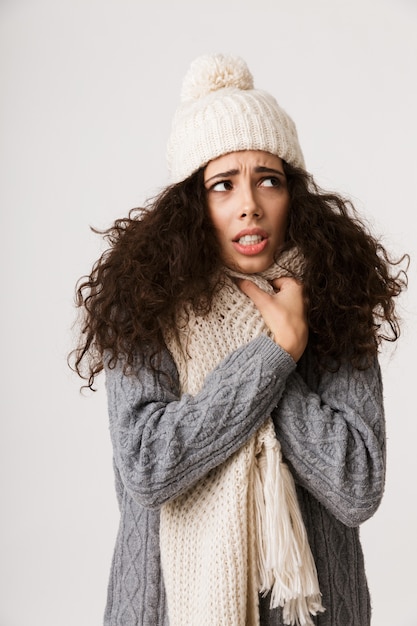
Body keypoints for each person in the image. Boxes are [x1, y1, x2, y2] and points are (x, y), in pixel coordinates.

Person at [70, 54, 407, 626]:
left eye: (267, 180)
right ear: (194, 205)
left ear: (292, 195)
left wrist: (289, 341)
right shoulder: (145, 304)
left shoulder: (336, 299)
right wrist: (273, 354)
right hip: (165, 610)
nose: (249, 203)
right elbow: (150, 468)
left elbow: (356, 485)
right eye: (223, 185)